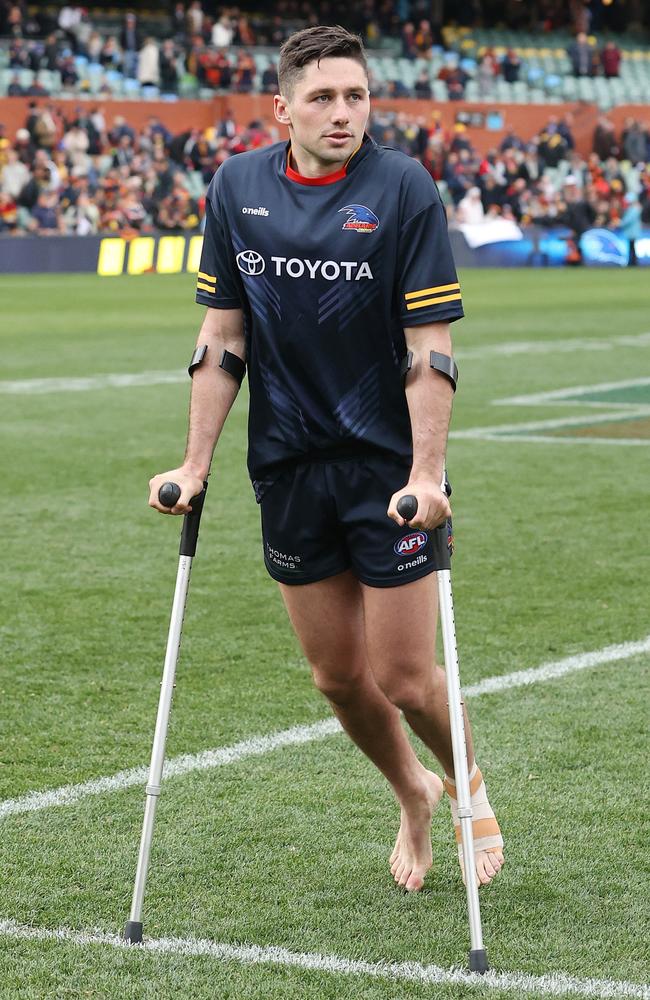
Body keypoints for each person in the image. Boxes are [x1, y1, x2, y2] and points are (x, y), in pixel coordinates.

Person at [148, 25, 504, 892]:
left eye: (355, 96)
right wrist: (194, 465)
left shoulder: (402, 186)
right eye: (322, 98)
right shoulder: (237, 186)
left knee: (407, 677)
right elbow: (222, 335)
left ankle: (465, 782)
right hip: (289, 466)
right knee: (339, 679)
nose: (342, 113)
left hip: (388, 472)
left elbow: (431, 347)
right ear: (284, 109)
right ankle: (412, 796)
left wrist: (427, 472)